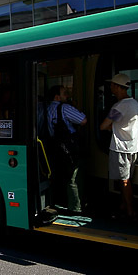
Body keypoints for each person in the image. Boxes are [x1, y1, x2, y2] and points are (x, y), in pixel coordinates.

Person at [99, 73, 138, 219]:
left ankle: (130, 211)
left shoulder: (119, 106)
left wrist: (111, 127)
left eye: (112, 85)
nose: (110, 87)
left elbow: (104, 126)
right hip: (132, 146)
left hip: (120, 147)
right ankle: (124, 205)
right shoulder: (134, 103)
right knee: (127, 179)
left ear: (117, 87)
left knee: (124, 180)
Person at [46, 85, 88, 213]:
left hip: (55, 147)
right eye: (65, 93)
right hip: (70, 148)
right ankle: (75, 208)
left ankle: (58, 201)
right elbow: (83, 120)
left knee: (59, 175)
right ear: (57, 97)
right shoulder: (64, 108)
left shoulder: (46, 108)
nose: (67, 95)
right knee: (73, 178)